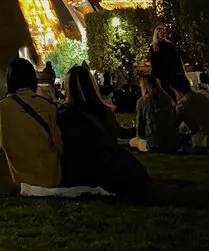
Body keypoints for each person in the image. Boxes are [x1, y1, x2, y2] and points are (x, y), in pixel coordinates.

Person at [0, 58, 61, 196]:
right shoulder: (48, 106)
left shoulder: (1, 107)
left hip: (12, 180)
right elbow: (59, 144)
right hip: (47, 178)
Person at [58, 64, 148, 193]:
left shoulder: (62, 114)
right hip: (105, 169)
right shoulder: (104, 112)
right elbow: (114, 134)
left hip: (77, 170)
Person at [170, 73, 209, 152]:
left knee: (179, 141)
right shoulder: (201, 96)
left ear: (176, 90)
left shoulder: (182, 105)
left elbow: (173, 125)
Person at [130, 74, 180, 153]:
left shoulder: (142, 101)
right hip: (172, 142)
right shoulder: (168, 99)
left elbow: (140, 128)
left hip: (154, 143)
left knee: (132, 142)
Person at [148, 26, 184, 96]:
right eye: (161, 33)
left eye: (164, 33)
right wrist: (155, 75)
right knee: (167, 92)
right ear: (157, 34)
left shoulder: (169, 44)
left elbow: (176, 58)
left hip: (173, 72)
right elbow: (154, 62)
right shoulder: (154, 47)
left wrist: (180, 71)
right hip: (162, 74)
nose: (163, 34)